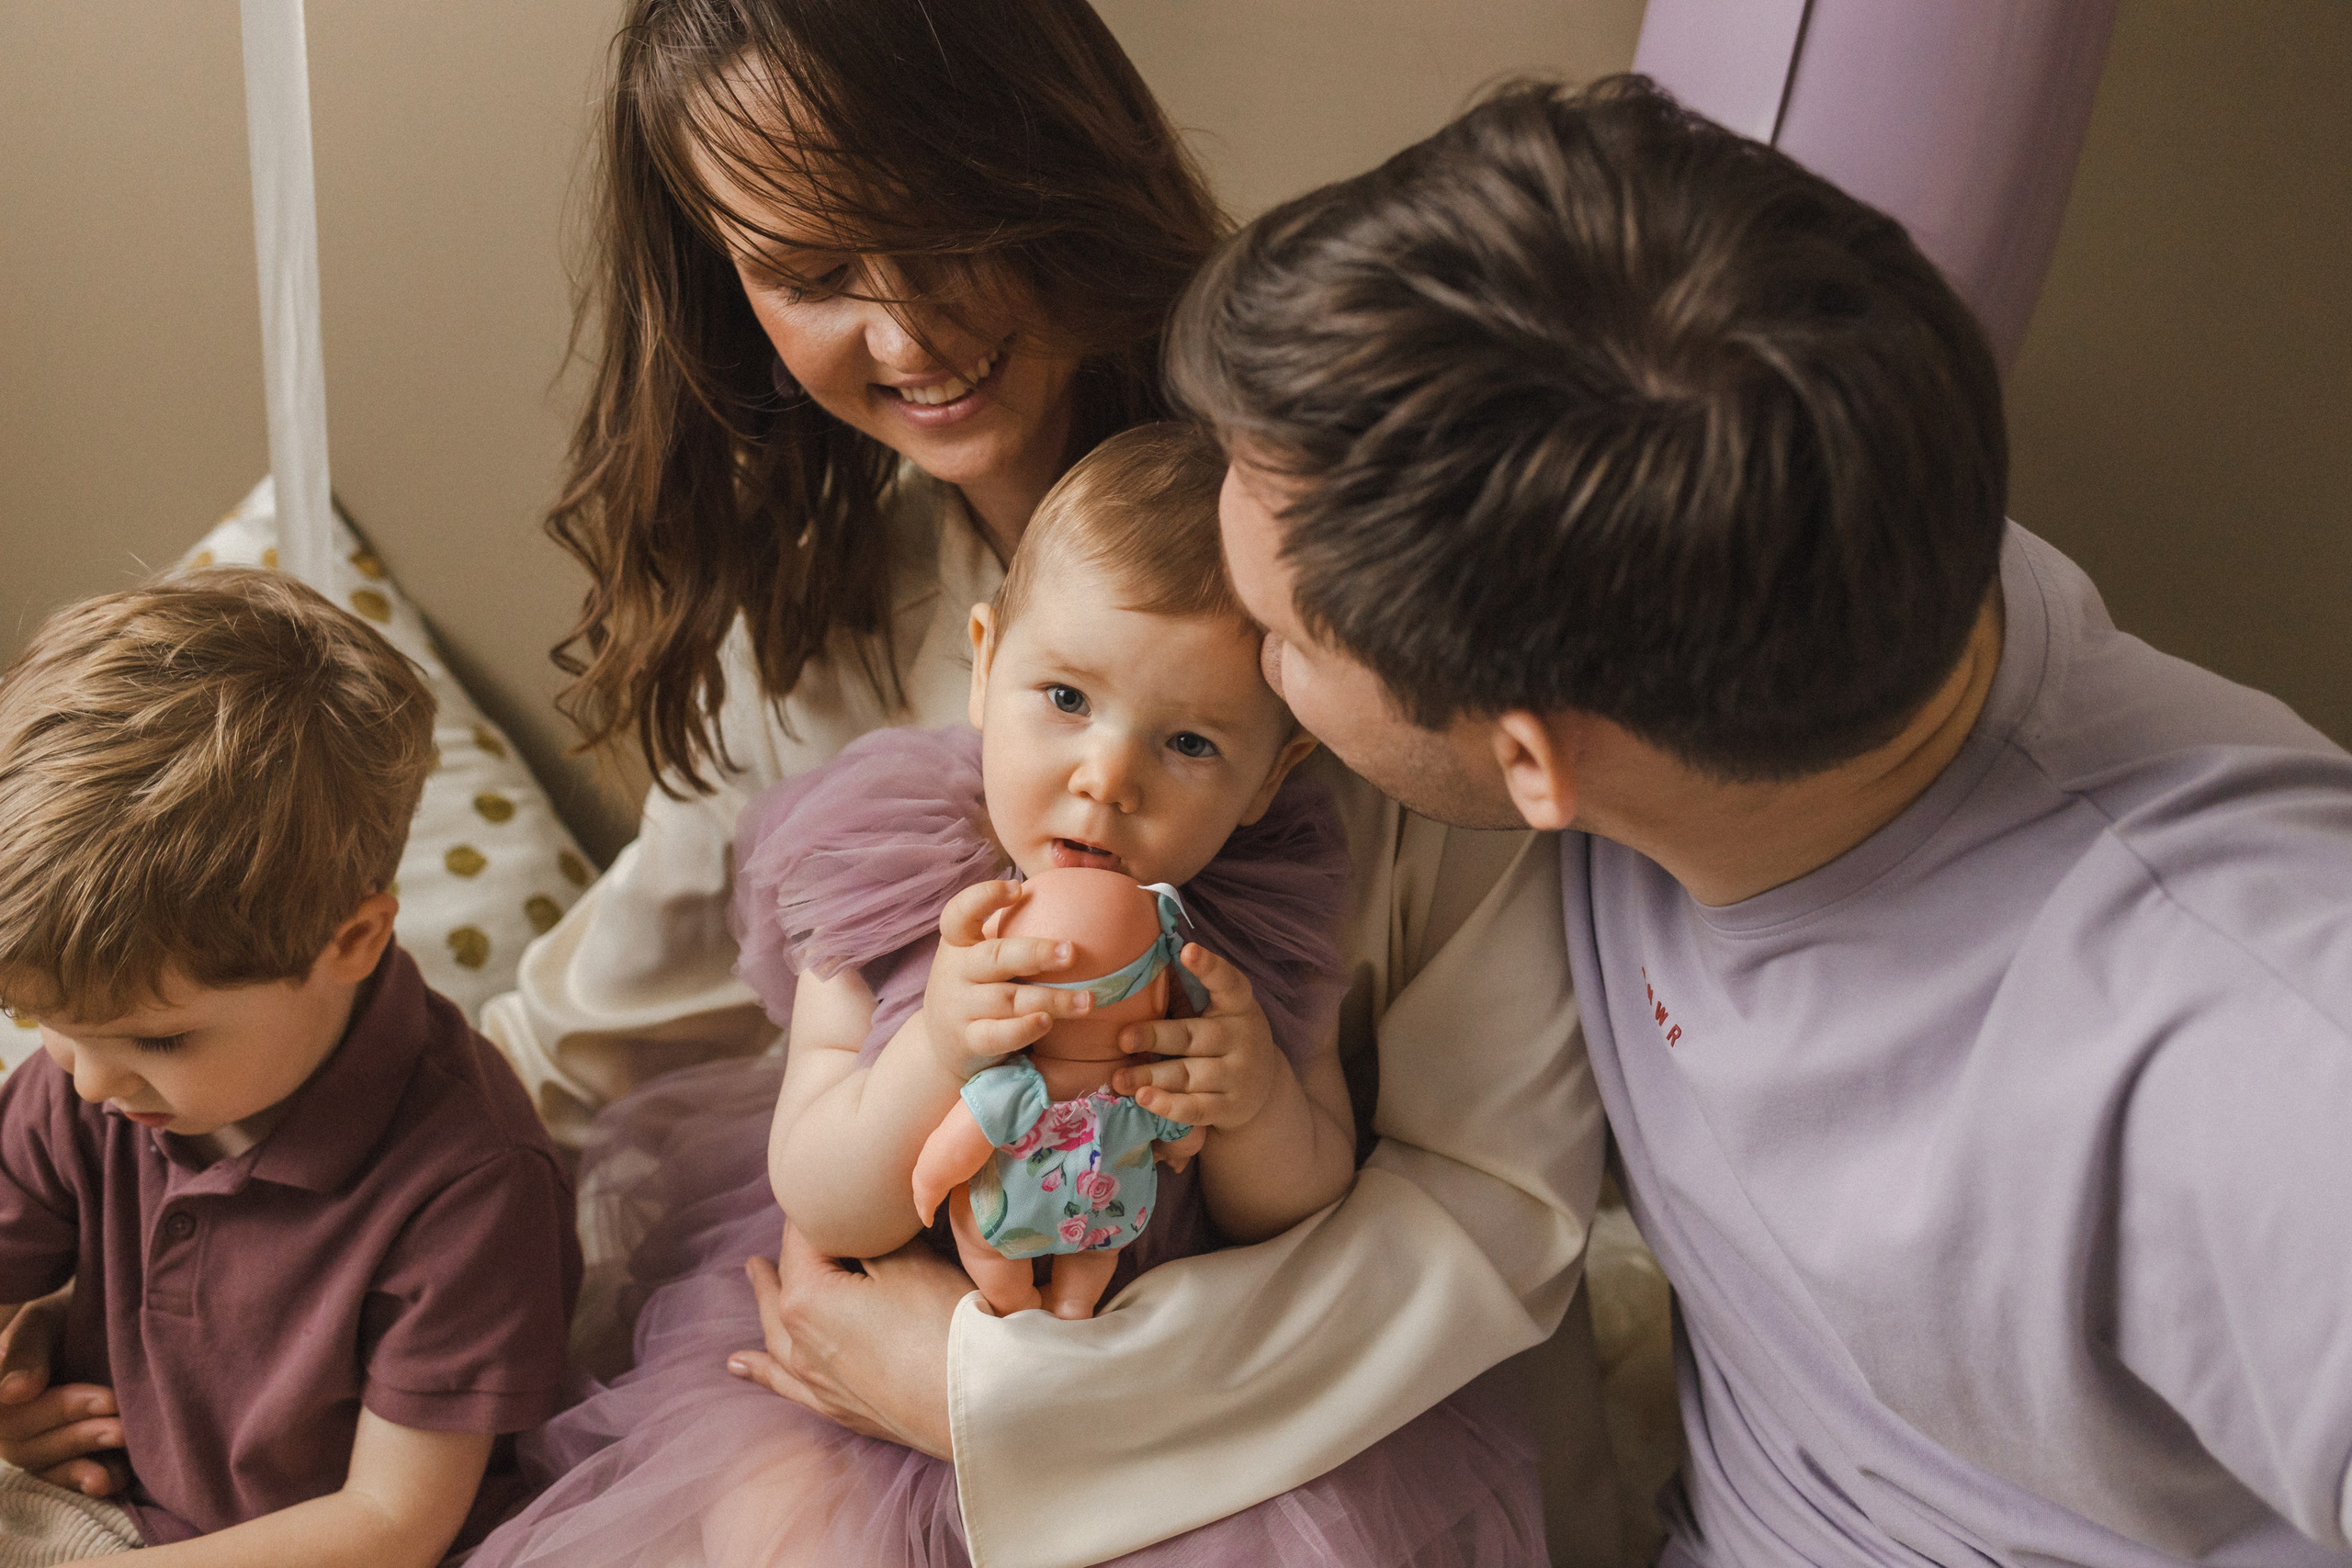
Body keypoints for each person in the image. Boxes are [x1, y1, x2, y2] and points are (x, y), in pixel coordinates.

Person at [447, 2, 1607, 1564]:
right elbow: (596, 1028)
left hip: (1294, 1406)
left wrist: (1000, 1388)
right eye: (810, 274)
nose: (910, 333)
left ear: (1054, 159)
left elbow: (1494, 1200)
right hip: (878, 1354)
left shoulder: (1373, 587)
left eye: (940, 232)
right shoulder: (818, 610)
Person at [1176, 73, 2352, 1567]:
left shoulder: (2264, 1059)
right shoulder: (1760, 535)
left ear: (1535, 758)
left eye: (1285, 641)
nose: (1248, 650)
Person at [469, 424, 1549, 1565]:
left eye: (1187, 741)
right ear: (985, 664)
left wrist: (1257, 1102)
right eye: (1066, 698)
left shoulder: (1259, 932)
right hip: (872, 1361)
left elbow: (1298, 1209)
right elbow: (826, 1196)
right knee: (777, 1518)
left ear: (1269, 776)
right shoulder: (887, 869)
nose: (1107, 777)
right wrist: (938, 1047)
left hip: (1152, 1393)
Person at [0, 571, 581, 1566]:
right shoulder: (81, 1081)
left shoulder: (470, 1185)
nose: (89, 1082)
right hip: (116, 1504)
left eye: (160, 1040)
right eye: (34, 1019)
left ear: (351, 940)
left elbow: (393, 1524)